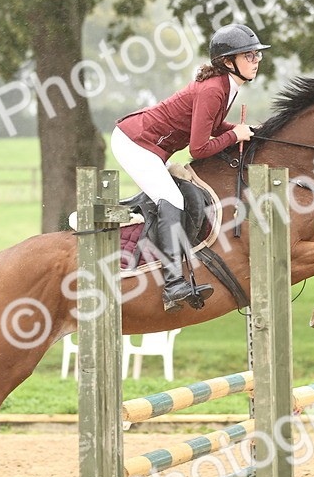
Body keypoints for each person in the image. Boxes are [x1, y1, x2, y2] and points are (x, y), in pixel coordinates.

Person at [112, 23, 268, 312]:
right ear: (228, 61)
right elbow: (198, 149)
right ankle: (173, 285)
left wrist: (242, 129)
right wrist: (235, 135)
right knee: (171, 199)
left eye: (257, 55)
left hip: (150, 145)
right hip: (135, 142)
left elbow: (211, 124)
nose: (256, 61)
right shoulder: (214, 89)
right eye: (249, 56)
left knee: (170, 196)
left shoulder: (227, 86)